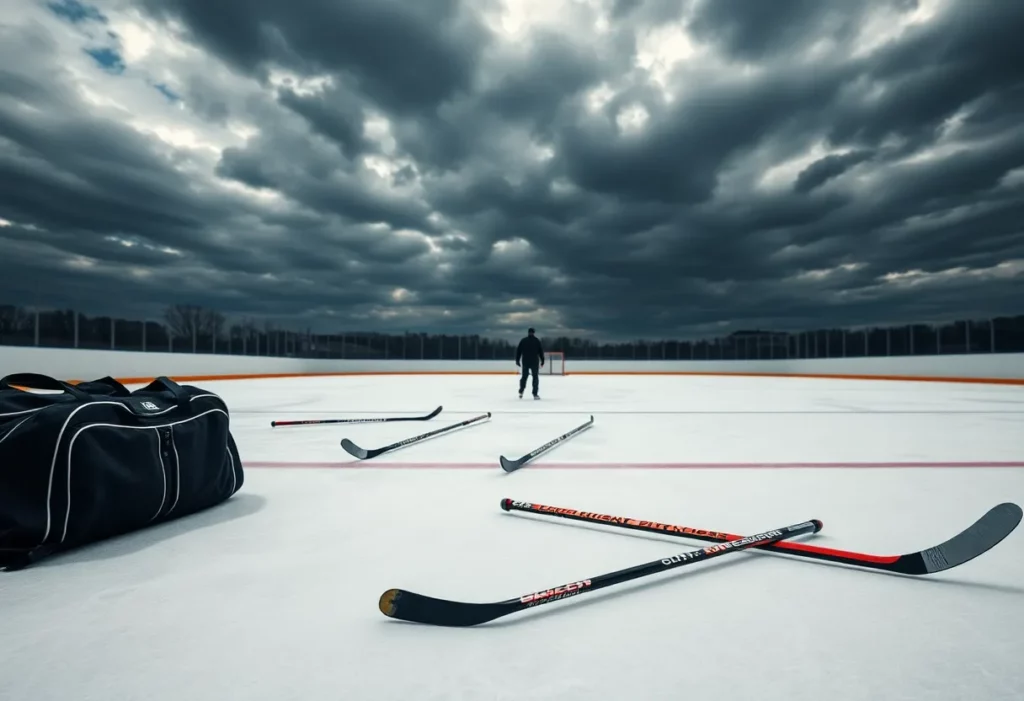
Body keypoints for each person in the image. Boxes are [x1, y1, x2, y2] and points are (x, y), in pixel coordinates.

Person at [515, 327, 545, 399]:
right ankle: (534, 393)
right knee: (534, 377)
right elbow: (540, 352)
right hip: (533, 362)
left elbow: (519, 351)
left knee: (525, 377)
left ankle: (522, 391)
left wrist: (517, 360)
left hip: (526, 361)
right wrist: (542, 360)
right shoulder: (536, 341)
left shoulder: (524, 341)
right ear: (533, 333)